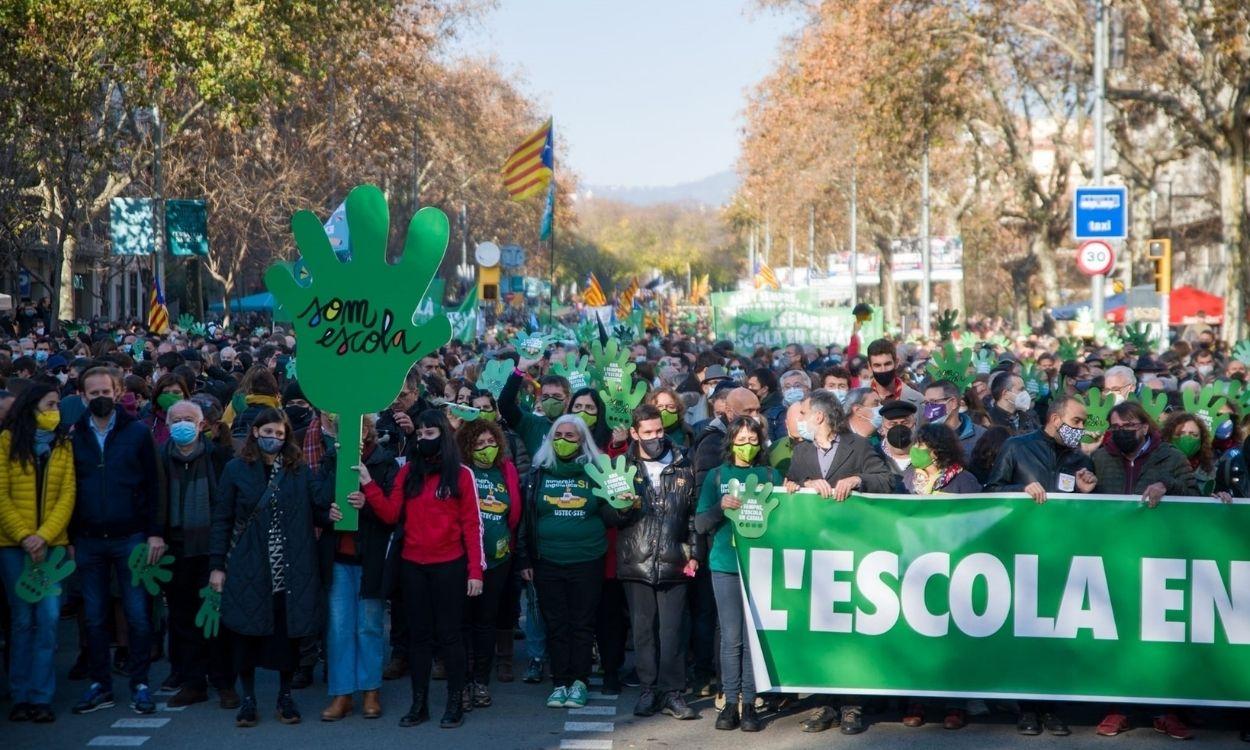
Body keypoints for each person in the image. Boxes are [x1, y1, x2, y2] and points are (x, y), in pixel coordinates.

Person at [209, 408, 336, 728]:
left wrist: (332, 500)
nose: (274, 439)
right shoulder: (236, 469)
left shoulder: (299, 470)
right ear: (255, 432)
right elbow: (222, 519)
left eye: (280, 434)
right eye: (268, 432)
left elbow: (316, 507)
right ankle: (248, 698)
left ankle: (284, 696)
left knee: (286, 633)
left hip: (290, 567)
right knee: (246, 633)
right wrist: (217, 566)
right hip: (248, 563)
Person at [360, 410, 483, 729]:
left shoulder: (462, 475)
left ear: (443, 435)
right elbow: (390, 515)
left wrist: (475, 571)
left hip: (450, 566)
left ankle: (455, 702)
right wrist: (368, 485)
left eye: (430, 434)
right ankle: (420, 704)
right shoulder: (407, 472)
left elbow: (472, 525)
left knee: (450, 637)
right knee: (419, 639)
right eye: (420, 434)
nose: (423, 439)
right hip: (413, 566)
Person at [784, 389, 893, 735]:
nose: (799, 419)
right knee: (822, 630)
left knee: (851, 631)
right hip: (816, 553)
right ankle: (825, 703)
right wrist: (800, 484)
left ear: (818, 416)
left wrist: (858, 479)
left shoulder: (858, 447)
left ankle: (852, 705)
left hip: (854, 551)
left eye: (803, 412)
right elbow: (788, 483)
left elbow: (888, 481)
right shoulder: (801, 452)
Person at [1089, 401, 1199, 740]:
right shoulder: (1099, 458)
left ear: (1146, 426)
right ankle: (1117, 707)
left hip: (1158, 558)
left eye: (1130, 426)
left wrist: (1167, 484)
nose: (1122, 432)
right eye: (1116, 427)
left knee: (1158, 638)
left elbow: (1194, 494)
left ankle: (1163, 710)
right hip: (1112, 559)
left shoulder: (1171, 458)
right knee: (1116, 636)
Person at [69, 367, 162, 716]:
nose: (100, 398)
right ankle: (100, 684)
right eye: (93, 394)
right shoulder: (74, 435)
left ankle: (139, 683)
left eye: (105, 391)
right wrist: (69, 536)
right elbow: (68, 489)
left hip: (132, 536)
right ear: (82, 397)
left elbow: (154, 486)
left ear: (117, 390)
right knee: (93, 617)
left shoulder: (137, 433)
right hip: (88, 539)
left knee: (137, 614)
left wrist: (155, 532)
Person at [515, 415, 618, 711]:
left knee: (582, 624)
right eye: (558, 434)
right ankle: (560, 682)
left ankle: (579, 682)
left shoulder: (596, 472)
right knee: (556, 624)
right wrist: (524, 557)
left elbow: (610, 516)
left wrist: (622, 504)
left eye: (571, 436)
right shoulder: (538, 473)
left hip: (587, 559)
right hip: (547, 560)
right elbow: (526, 519)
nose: (563, 440)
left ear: (582, 440)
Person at [695, 415, 778, 733]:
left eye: (753, 440)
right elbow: (701, 523)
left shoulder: (771, 474)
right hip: (726, 565)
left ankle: (750, 703)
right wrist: (720, 507)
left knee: (752, 637)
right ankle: (730, 702)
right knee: (731, 638)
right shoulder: (717, 476)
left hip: (760, 567)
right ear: (730, 443)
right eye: (741, 440)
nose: (747, 446)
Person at [616, 404, 699, 721]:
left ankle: (673, 692)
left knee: (673, 631)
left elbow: (692, 513)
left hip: (674, 560)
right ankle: (648, 690)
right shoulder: (623, 465)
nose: (655, 437)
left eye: (659, 430)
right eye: (647, 432)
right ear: (634, 433)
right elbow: (610, 516)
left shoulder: (682, 462)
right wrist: (622, 507)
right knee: (644, 632)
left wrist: (693, 551)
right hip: (636, 560)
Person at [0, 382, 75, 723]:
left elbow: (67, 494)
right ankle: (21, 693)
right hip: (13, 547)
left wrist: (44, 536)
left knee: (47, 620)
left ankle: (42, 696)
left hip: (53, 547)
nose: (54, 411)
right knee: (21, 620)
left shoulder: (63, 445)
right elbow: (1, 495)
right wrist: (24, 535)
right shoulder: (5, 443)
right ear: (32, 407)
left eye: (57, 405)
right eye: (49, 404)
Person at [319, 416, 400, 722]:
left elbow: (392, 514)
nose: (355, 432)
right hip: (339, 557)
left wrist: (367, 500)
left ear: (368, 431)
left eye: (360, 427)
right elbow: (316, 500)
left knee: (369, 625)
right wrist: (328, 512)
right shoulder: (329, 460)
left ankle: (370, 691)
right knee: (339, 628)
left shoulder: (384, 463)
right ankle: (341, 694)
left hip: (371, 558)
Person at [158, 400, 237, 709]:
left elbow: (227, 504)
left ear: (202, 424)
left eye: (189, 419)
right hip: (174, 547)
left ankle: (224, 682)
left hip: (212, 547)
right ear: (167, 424)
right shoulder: (161, 457)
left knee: (217, 617)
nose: (183, 424)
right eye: (176, 419)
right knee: (182, 617)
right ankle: (193, 682)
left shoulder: (220, 457)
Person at [455, 418, 522, 710]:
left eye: (491, 442)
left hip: (498, 559)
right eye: (480, 443)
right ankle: (463, 682)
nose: (486, 448)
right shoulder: (461, 472)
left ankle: (480, 681)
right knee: (462, 623)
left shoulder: (505, 470)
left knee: (486, 622)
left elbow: (515, 513)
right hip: (464, 561)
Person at [922, 380, 986, 461]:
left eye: (934, 401)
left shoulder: (981, 436)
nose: (928, 407)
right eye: (926, 403)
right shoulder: (922, 437)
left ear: (953, 403)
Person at [865, 339, 923, 407]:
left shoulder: (918, 400)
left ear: (896, 363)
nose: (883, 370)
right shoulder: (855, 399)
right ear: (869, 366)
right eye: (877, 365)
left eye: (887, 364)